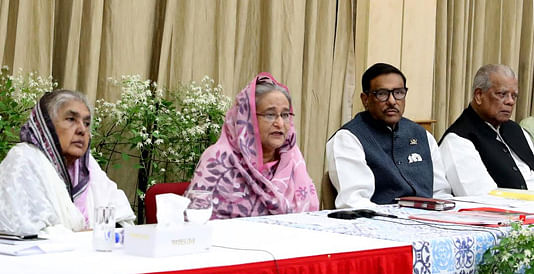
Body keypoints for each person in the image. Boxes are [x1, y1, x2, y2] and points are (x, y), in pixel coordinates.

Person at [0, 90, 135, 234]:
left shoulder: (87, 166)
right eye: (71, 119)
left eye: (87, 123)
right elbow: (26, 232)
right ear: (46, 126)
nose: (82, 130)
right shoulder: (24, 159)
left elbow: (122, 219)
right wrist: (92, 236)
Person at [186, 72, 319, 219]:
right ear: (247, 119)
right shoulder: (219, 159)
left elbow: (309, 216)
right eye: (270, 115)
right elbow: (195, 220)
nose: (280, 123)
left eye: (285, 115)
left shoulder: (293, 160)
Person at [326, 63, 451, 208]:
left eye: (398, 92)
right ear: (365, 99)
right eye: (382, 94)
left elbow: (441, 193)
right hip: (380, 223)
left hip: (431, 223)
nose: (392, 101)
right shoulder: (349, 138)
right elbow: (353, 202)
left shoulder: (422, 135)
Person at [439, 64, 534, 195]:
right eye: (502, 94)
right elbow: (481, 199)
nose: (510, 101)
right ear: (479, 95)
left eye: (514, 96)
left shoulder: (517, 131)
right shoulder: (458, 141)